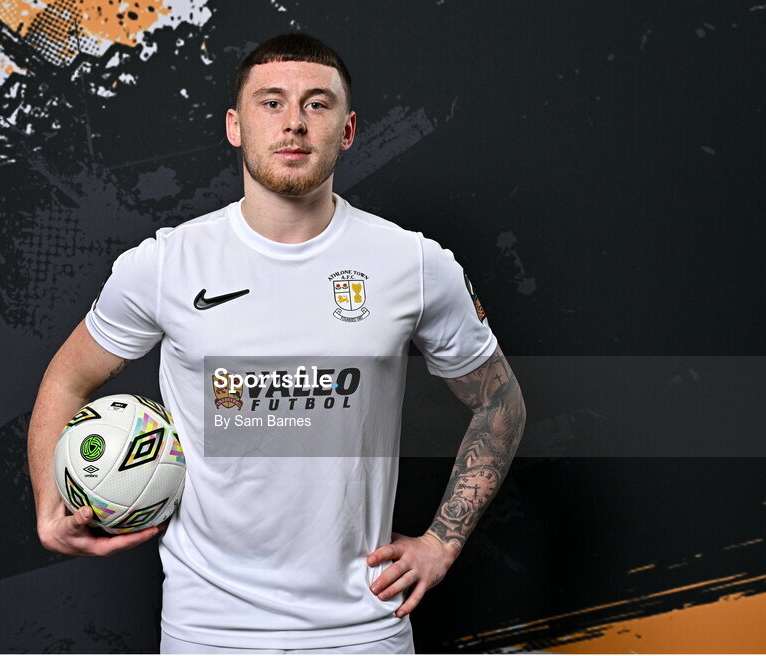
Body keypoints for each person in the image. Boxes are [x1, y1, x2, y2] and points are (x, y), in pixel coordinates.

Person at [27, 33, 527, 654]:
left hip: (361, 628)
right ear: (236, 126)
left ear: (347, 130)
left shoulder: (412, 265)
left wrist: (441, 542)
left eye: (317, 104)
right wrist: (50, 499)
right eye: (271, 103)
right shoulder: (164, 265)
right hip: (207, 630)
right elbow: (68, 376)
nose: (293, 122)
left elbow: (500, 403)